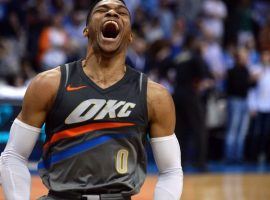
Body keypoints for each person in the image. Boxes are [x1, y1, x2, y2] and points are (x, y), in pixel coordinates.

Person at [0, 0, 183, 200]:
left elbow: (171, 170)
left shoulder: (154, 96)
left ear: (130, 35)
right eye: (102, 10)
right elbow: (14, 156)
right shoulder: (48, 84)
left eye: (122, 12)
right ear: (86, 30)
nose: (112, 13)